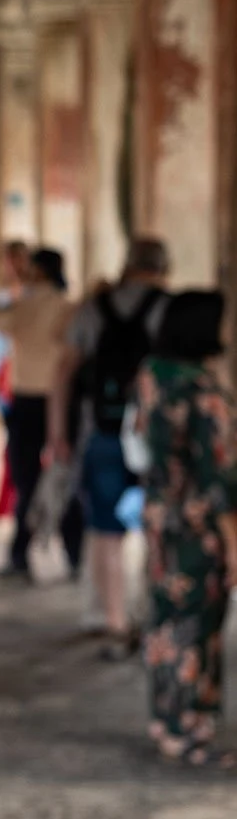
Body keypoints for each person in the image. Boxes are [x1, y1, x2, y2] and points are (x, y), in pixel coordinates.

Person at [51, 238, 170, 657]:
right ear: (163, 267)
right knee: (160, 524)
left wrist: (57, 433)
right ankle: (154, 615)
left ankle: (116, 622)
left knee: (106, 529)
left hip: (100, 430)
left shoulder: (93, 308)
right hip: (155, 436)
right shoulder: (168, 309)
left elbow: (63, 372)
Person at [135, 291, 237, 767]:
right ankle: (189, 730)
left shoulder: (153, 376)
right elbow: (219, 481)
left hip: (160, 514)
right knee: (198, 624)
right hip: (198, 526)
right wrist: (234, 545)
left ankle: (165, 720)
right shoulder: (205, 393)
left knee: (164, 618)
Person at [0, 244, 76, 577]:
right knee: (66, 477)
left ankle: (19, 556)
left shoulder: (21, 306)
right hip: (61, 400)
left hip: (26, 402)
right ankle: (75, 554)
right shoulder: (67, 307)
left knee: (27, 481)